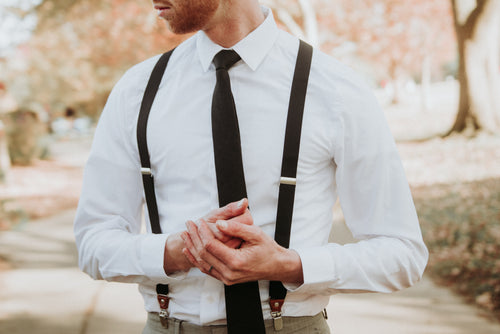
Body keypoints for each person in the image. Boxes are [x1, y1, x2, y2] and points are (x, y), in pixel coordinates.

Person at [74, 1, 428, 333]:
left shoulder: (336, 90)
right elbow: (93, 241)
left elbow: (402, 253)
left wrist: (290, 265)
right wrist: (173, 253)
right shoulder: (137, 91)